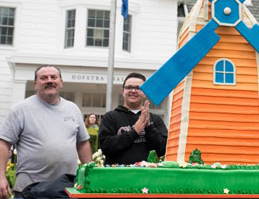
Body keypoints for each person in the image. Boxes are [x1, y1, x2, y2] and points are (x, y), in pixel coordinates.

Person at [0, 65, 92, 198]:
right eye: (43, 78)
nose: (49, 80)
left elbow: (83, 143)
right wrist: (1, 177)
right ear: (35, 84)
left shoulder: (73, 109)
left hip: (66, 189)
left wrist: (90, 175)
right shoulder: (20, 110)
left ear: (61, 82)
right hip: (30, 189)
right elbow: (4, 144)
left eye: (54, 77)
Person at [98, 72, 168, 165]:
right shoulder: (110, 117)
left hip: (148, 176)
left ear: (145, 92)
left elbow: (163, 150)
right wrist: (134, 132)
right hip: (117, 175)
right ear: (123, 91)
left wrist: (149, 128)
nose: (133, 91)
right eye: (129, 87)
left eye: (138, 88)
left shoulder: (155, 119)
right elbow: (105, 148)